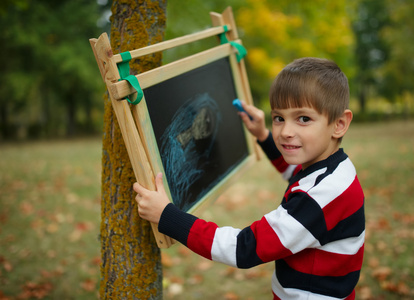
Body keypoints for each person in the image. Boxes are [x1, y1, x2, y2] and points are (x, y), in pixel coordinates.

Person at [133, 57, 365, 300]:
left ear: (339, 124)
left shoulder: (320, 197)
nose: (285, 131)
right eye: (279, 118)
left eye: (303, 119)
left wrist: (166, 216)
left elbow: (243, 249)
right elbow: (295, 176)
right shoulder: (336, 170)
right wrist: (263, 135)